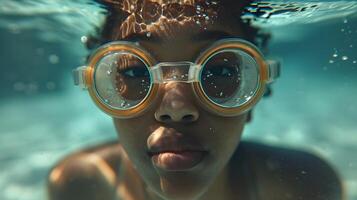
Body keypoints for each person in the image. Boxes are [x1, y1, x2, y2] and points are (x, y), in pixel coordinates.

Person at [47, 0, 344, 199]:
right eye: (136, 72)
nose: (176, 108)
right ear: (105, 90)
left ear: (253, 95)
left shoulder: (305, 187)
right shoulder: (80, 183)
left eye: (219, 70)